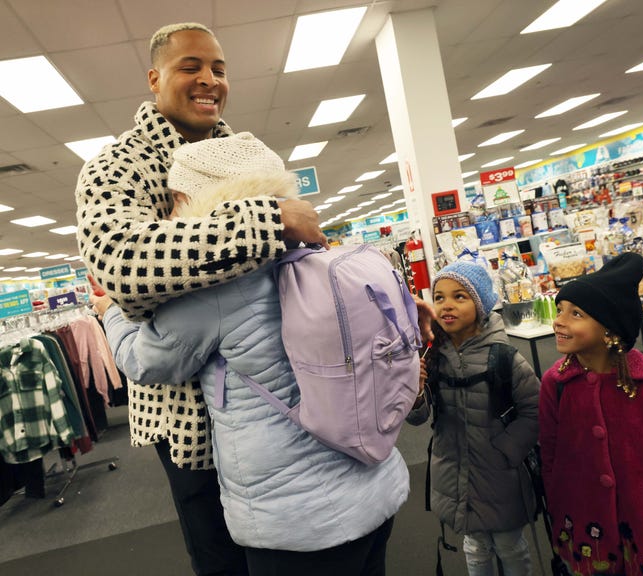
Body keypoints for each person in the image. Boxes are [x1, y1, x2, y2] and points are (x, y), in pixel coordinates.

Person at [92, 132, 410, 576]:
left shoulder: (213, 287)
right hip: (373, 481)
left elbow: (145, 362)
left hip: (297, 520)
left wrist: (113, 313)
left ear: (189, 199)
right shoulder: (314, 255)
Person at [75, 21, 327, 576]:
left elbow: (299, 250)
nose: (209, 79)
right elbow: (122, 263)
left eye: (218, 68)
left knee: (300, 546)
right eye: (190, 66)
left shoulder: (246, 154)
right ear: (154, 78)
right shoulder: (118, 166)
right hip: (193, 415)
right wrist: (267, 220)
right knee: (226, 559)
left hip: (282, 397)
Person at [407, 261, 538, 576]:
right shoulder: (432, 356)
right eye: (439, 297)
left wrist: (507, 450)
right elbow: (418, 418)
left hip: (499, 474)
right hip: (453, 470)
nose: (446, 305)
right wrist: (414, 391)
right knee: (475, 547)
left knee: (509, 546)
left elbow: (535, 410)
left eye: (459, 297)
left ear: (480, 305)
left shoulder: (505, 358)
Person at [539, 252, 643, 576]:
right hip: (582, 523)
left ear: (610, 330)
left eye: (575, 314)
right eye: (560, 310)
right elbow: (549, 454)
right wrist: (557, 504)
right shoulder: (557, 384)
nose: (559, 321)